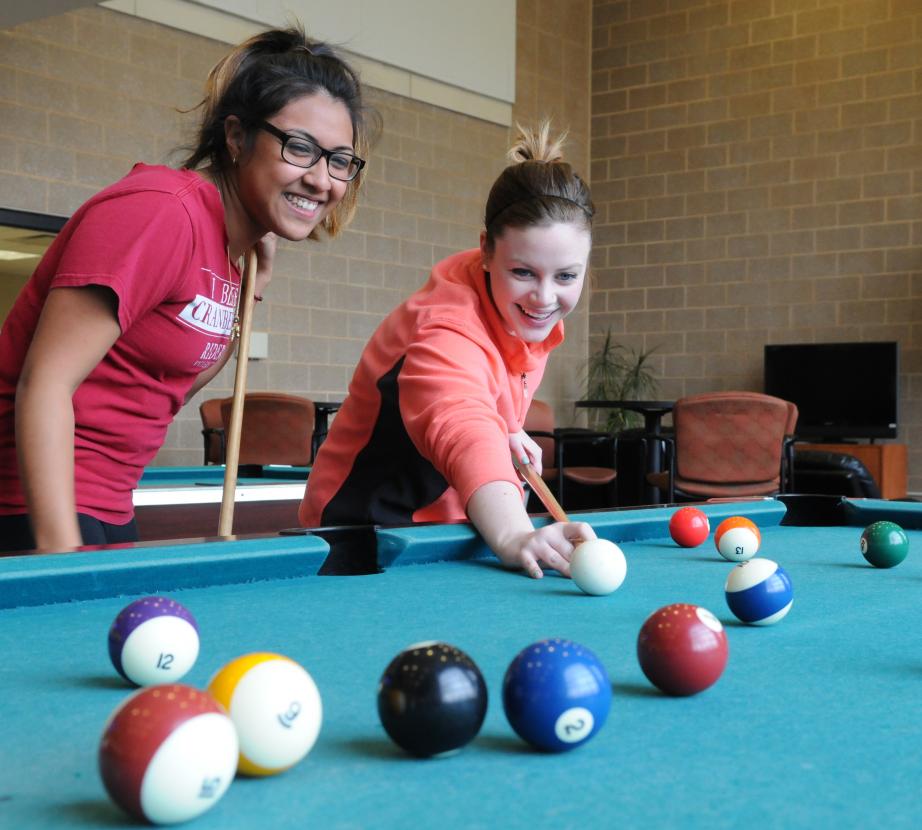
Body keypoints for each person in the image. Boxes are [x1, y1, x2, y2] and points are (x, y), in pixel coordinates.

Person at [0, 25, 371, 553]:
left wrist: (254, 290)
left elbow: (167, 387)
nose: (322, 179)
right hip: (26, 501)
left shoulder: (229, 255)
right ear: (237, 137)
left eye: (339, 160)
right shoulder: (160, 212)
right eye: (300, 147)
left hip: (107, 499)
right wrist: (61, 559)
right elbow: (44, 383)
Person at [300, 123, 597, 579]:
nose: (544, 298)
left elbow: (486, 390)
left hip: (458, 531)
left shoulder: (520, 311)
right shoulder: (446, 324)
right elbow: (459, 421)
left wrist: (508, 427)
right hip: (366, 536)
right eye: (524, 272)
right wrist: (516, 534)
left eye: (566, 276)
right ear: (486, 251)